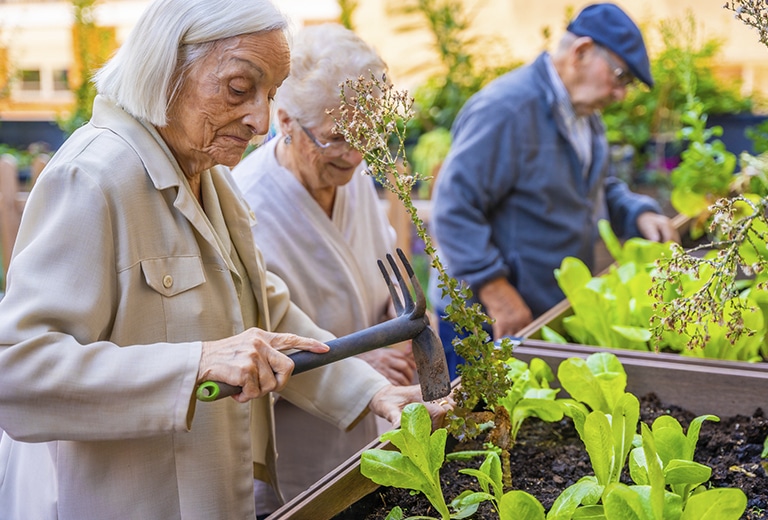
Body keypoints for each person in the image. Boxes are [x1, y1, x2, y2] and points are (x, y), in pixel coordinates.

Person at [0, 1, 449, 519]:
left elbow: (267, 313)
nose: (261, 121)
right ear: (167, 67)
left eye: (271, 94)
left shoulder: (210, 176)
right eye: (240, 88)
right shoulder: (93, 177)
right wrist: (196, 364)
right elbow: (18, 371)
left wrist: (375, 393)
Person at [429, 3, 680, 378]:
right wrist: (497, 292)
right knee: (478, 431)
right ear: (581, 52)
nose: (621, 94)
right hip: (485, 318)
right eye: (620, 76)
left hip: (538, 310)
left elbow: (598, 185)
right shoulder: (508, 108)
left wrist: (637, 211)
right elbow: (453, 206)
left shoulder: (585, 118)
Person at [231, 23, 417, 509]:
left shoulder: (349, 178)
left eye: (366, 134)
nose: (355, 156)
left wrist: (397, 327)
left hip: (376, 427)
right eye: (336, 139)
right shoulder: (245, 208)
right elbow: (250, 350)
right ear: (286, 120)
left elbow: (379, 273)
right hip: (298, 459)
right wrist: (358, 362)